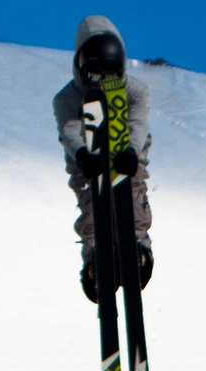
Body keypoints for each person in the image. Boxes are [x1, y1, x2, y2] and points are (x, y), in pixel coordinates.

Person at [53, 16, 153, 302]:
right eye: (95, 75)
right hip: (86, 163)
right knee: (92, 206)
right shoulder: (66, 98)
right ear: (83, 71)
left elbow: (137, 123)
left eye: (110, 75)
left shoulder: (136, 92)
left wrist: (131, 152)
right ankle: (95, 258)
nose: (102, 82)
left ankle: (138, 249)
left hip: (127, 157)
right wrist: (82, 154)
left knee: (132, 197)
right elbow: (69, 129)